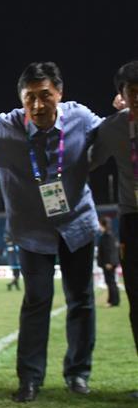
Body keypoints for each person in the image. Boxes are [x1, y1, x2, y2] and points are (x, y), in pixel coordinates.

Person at [0, 62, 102, 402]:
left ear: (60, 94)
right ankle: (30, 379)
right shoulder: (3, 127)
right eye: (30, 97)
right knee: (36, 301)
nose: (38, 105)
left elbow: (112, 137)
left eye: (46, 96)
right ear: (21, 99)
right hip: (31, 232)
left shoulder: (82, 119)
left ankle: (78, 374)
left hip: (77, 224)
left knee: (82, 301)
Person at [91, 60, 138, 354]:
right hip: (132, 221)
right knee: (136, 300)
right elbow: (88, 161)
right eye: (133, 91)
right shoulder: (113, 128)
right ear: (122, 94)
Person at [97, 217, 120, 307]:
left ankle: (113, 301)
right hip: (108, 263)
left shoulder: (108, 236)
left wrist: (109, 262)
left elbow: (110, 251)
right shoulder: (108, 235)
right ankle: (112, 300)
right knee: (110, 282)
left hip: (109, 263)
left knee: (111, 282)